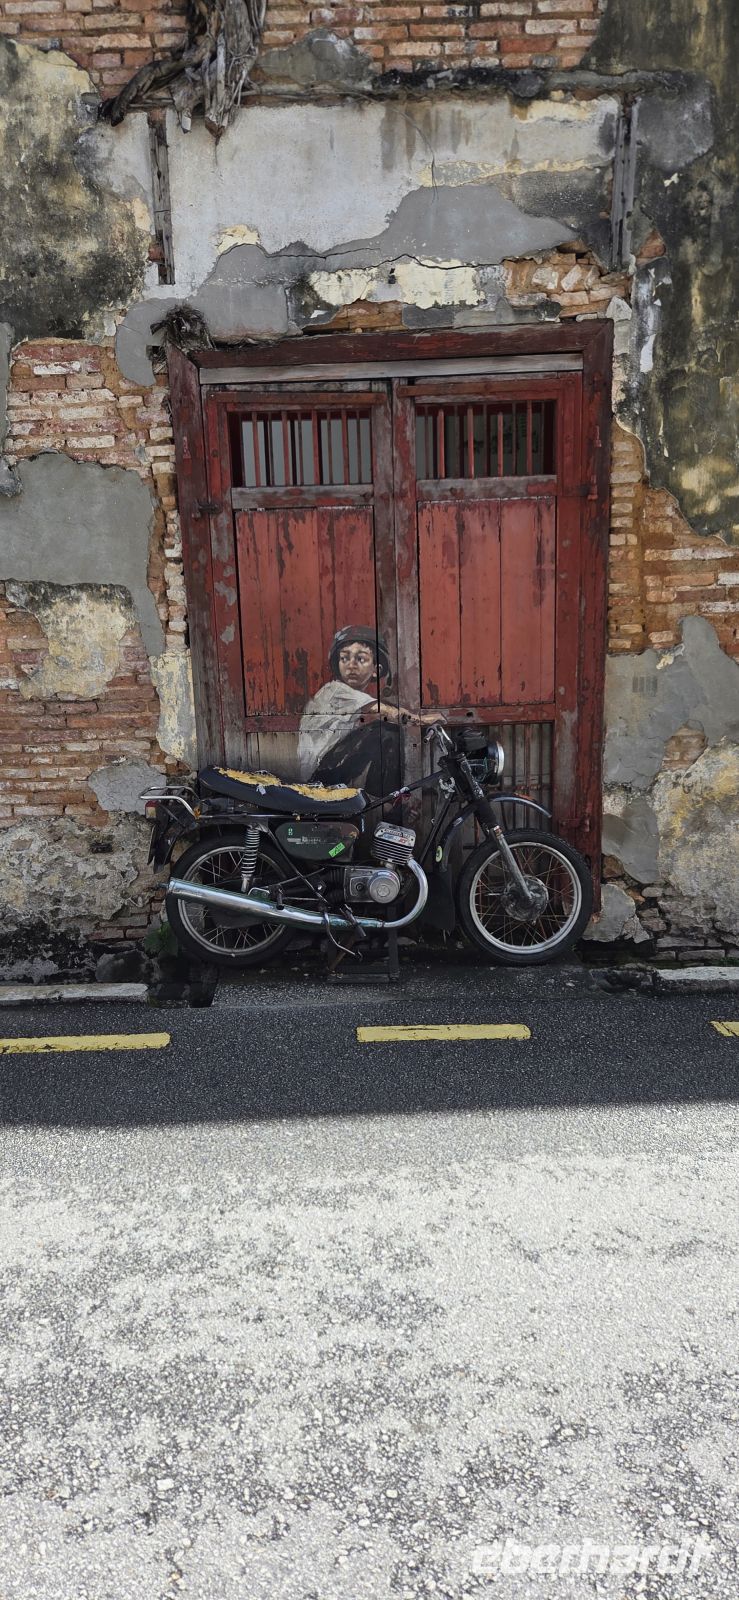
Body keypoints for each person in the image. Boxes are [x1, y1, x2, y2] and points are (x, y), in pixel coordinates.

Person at [297, 624, 432, 795]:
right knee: (387, 731)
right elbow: (386, 712)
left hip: (328, 770)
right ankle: (384, 802)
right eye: (344, 658)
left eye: (360, 659)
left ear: (376, 670)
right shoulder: (335, 691)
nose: (351, 665)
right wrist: (424, 720)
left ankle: (381, 799)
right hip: (317, 777)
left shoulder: (352, 696)